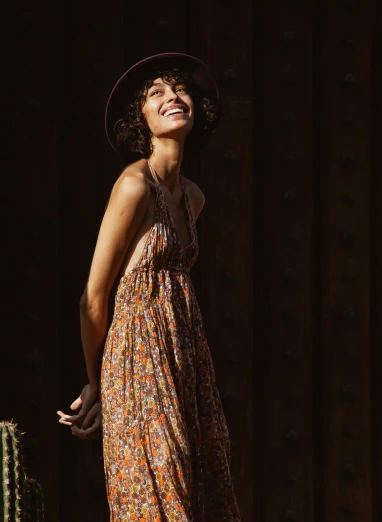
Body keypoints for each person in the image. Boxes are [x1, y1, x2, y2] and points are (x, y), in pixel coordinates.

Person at [56, 53, 241, 521]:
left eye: (179, 90)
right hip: (137, 360)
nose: (172, 97)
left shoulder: (194, 197)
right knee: (159, 490)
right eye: (156, 93)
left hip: (185, 353)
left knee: (203, 481)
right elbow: (92, 299)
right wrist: (99, 383)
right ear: (141, 119)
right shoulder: (134, 186)